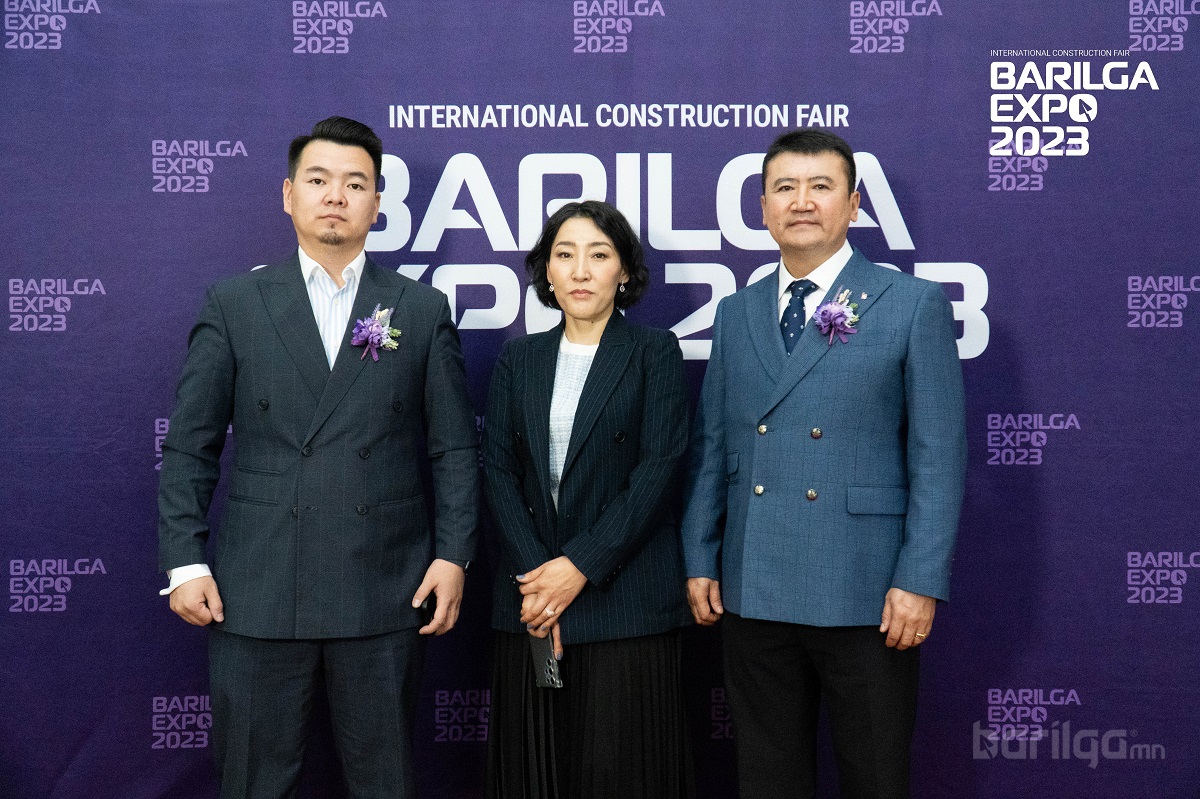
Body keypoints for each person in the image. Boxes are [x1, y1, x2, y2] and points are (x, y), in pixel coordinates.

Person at [157, 116, 479, 799]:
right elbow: (190, 445)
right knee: (253, 782)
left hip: (385, 586)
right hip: (257, 588)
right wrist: (184, 560)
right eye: (319, 179)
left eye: (355, 183)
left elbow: (453, 449)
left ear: (377, 203)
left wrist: (454, 555)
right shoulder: (235, 304)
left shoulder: (420, 309)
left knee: (385, 782)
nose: (336, 195)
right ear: (288, 195)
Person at [682, 129, 966, 799]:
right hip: (753, 585)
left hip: (867, 589)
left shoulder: (910, 303)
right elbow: (714, 446)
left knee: (875, 777)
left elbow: (938, 455)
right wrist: (699, 555)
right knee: (768, 779)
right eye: (785, 188)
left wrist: (920, 578)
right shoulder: (736, 312)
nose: (802, 202)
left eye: (820, 186)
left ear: (854, 204)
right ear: (762, 208)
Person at [482, 200, 693, 799]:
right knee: (534, 774)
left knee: (622, 774)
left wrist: (578, 567)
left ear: (623, 271)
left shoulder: (654, 352)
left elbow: (657, 473)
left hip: (623, 600)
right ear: (546, 271)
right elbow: (497, 470)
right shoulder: (519, 358)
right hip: (532, 603)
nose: (580, 270)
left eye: (598, 255)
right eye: (565, 254)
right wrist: (539, 582)